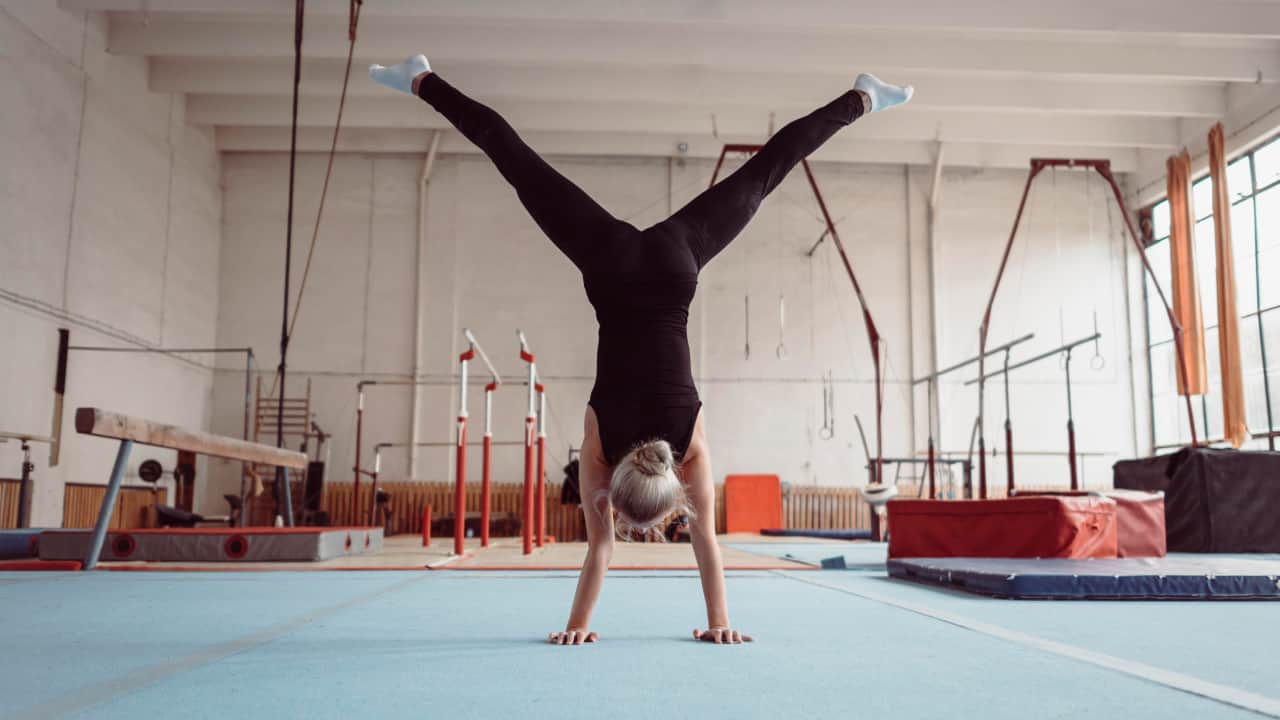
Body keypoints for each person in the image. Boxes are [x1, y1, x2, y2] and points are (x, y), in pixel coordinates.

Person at [370, 56, 912, 644]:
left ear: (671, 487)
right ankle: (423, 79)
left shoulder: (691, 449)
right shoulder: (600, 454)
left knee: (766, 172)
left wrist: (721, 624)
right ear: (617, 491)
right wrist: (578, 627)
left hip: (678, 263)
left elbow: (705, 544)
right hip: (610, 266)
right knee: (517, 162)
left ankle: (861, 98)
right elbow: (603, 551)